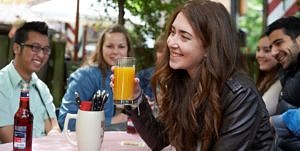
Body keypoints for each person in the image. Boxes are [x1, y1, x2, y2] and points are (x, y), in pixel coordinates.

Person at [112, 0, 275, 150]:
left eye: (184, 37)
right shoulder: (183, 80)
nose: (171, 43)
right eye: (172, 32)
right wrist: (135, 98)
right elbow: (161, 140)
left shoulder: (240, 93)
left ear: (209, 48)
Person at [58, 24, 131, 131]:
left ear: (127, 50)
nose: (115, 51)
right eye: (110, 46)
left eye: (121, 46)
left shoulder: (127, 75)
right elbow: (66, 121)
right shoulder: (85, 75)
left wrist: (138, 104)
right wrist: (111, 120)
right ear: (100, 48)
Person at [0, 21, 60, 143]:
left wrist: (54, 138)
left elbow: (53, 126)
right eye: (35, 48)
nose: (42, 55)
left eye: (46, 49)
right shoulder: (2, 83)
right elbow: (9, 138)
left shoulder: (42, 88)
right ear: (17, 48)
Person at [266, 16, 300, 151]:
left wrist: (275, 122)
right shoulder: (290, 71)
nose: (273, 52)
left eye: (279, 43)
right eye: (271, 47)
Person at [256, 33, 282, 115]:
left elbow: (259, 113)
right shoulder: (264, 77)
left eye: (267, 50)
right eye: (258, 49)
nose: (259, 55)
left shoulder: (280, 83)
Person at [137, 34, 165, 100]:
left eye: (167, 51)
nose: (164, 55)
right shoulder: (143, 76)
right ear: (156, 53)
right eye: (160, 51)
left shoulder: (181, 79)